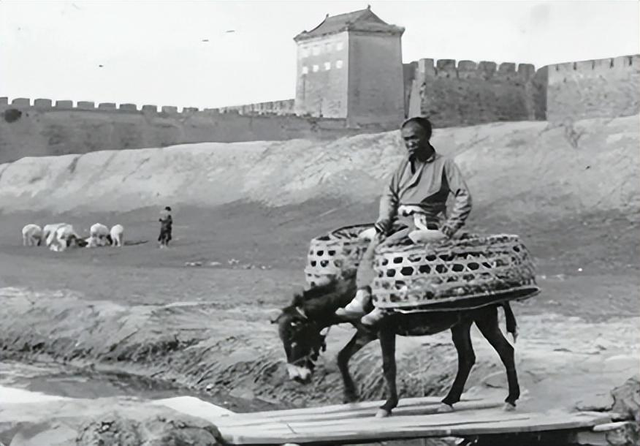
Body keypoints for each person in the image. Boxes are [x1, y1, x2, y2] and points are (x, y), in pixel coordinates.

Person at [336, 117, 472, 326]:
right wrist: (383, 219)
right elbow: (389, 195)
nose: (410, 143)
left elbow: (463, 195)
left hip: (424, 223)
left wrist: (452, 225)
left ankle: (384, 305)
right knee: (366, 244)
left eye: (414, 138)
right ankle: (362, 295)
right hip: (399, 221)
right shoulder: (403, 166)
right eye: (406, 139)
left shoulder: (444, 165)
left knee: (387, 249)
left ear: (427, 137)